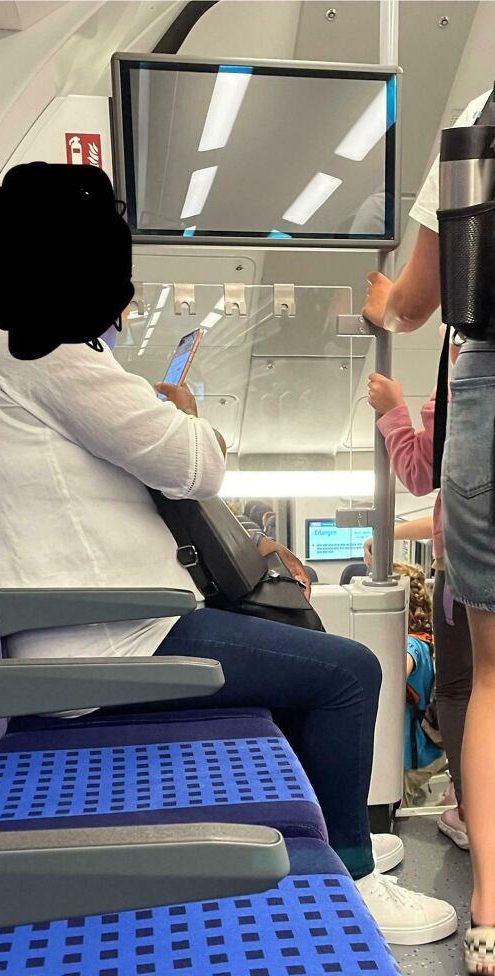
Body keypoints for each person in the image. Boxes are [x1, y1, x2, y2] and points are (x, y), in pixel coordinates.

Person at [0, 306, 456, 945]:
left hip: (105, 622)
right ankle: (351, 880)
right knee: (347, 671)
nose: (126, 307)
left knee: (313, 659)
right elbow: (196, 464)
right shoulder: (40, 347)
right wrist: (187, 416)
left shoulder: (0, 353)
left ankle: (331, 830)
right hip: (107, 639)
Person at [362, 88, 492, 970]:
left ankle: (491, 908)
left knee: (492, 677)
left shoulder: (483, 118)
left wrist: (385, 305)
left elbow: (415, 302)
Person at [365, 333, 471, 848]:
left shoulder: (462, 388)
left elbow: (421, 471)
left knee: (463, 689)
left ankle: (471, 810)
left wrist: (393, 412)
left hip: (469, 567)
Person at [394, 563, 447, 807]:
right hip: (433, 747)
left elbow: (393, 679)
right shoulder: (430, 637)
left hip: (412, 758)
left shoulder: (410, 647)